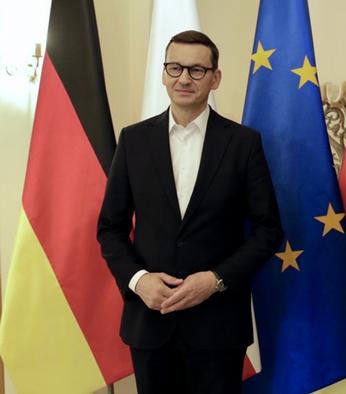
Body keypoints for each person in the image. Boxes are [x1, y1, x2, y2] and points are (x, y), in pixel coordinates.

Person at [97, 30, 283, 394]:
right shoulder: (133, 141)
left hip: (218, 326)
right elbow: (110, 228)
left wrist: (215, 280)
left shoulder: (244, 143)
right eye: (175, 67)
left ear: (215, 78)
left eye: (197, 70)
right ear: (164, 74)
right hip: (151, 323)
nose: (184, 78)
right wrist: (138, 280)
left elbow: (268, 231)